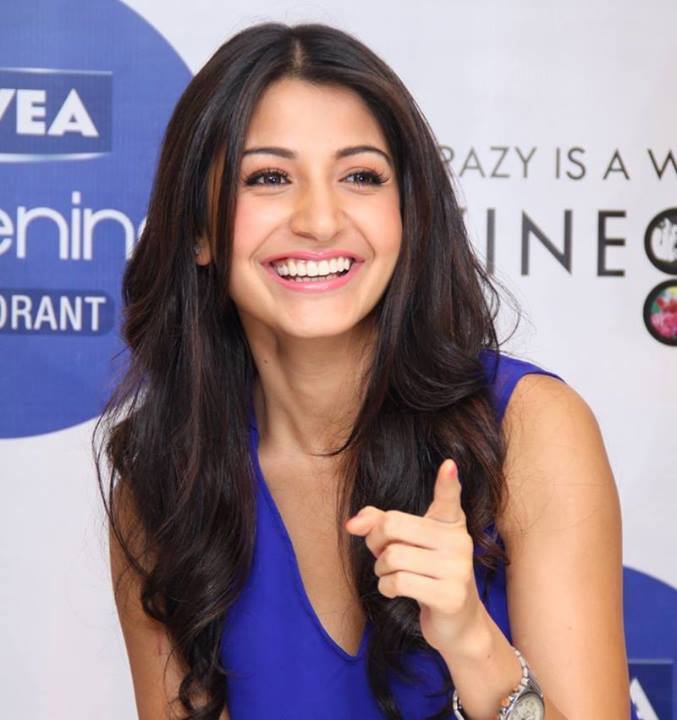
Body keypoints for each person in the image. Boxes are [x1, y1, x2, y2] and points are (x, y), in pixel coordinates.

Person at [93, 21, 631, 720]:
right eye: (268, 177)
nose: (320, 220)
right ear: (198, 230)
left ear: (406, 214)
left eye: (360, 176)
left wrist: (474, 645)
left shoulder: (530, 428)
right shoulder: (165, 485)